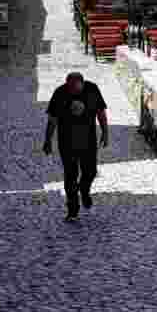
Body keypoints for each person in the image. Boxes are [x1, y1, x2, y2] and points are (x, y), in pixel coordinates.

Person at [43, 72, 109, 222]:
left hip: (88, 141)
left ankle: (84, 190)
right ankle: (72, 210)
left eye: (74, 87)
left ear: (82, 83)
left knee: (90, 172)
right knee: (70, 176)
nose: (71, 90)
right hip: (67, 143)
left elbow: (100, 112)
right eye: (69, 86)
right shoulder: (60, 93)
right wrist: (47, 140)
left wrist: (105, 132)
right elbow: (52, 119)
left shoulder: (92, 90)